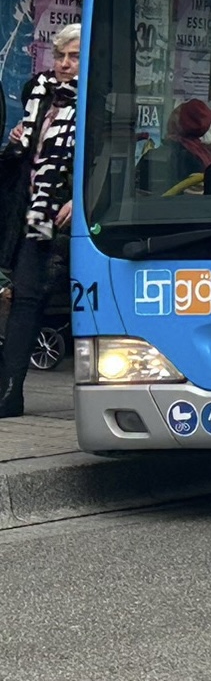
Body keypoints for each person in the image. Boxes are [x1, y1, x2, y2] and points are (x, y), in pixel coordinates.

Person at [0, 24, 79, 418]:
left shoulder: (100, 99)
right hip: (37, 213)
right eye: (61, 56)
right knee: (27, 296)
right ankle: (9, 394)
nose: (65, 65)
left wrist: (81, 200)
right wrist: (19, 139)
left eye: (74, 57)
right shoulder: (39, 94)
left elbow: (109, 161)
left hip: (80, 217)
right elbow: (25, 158)